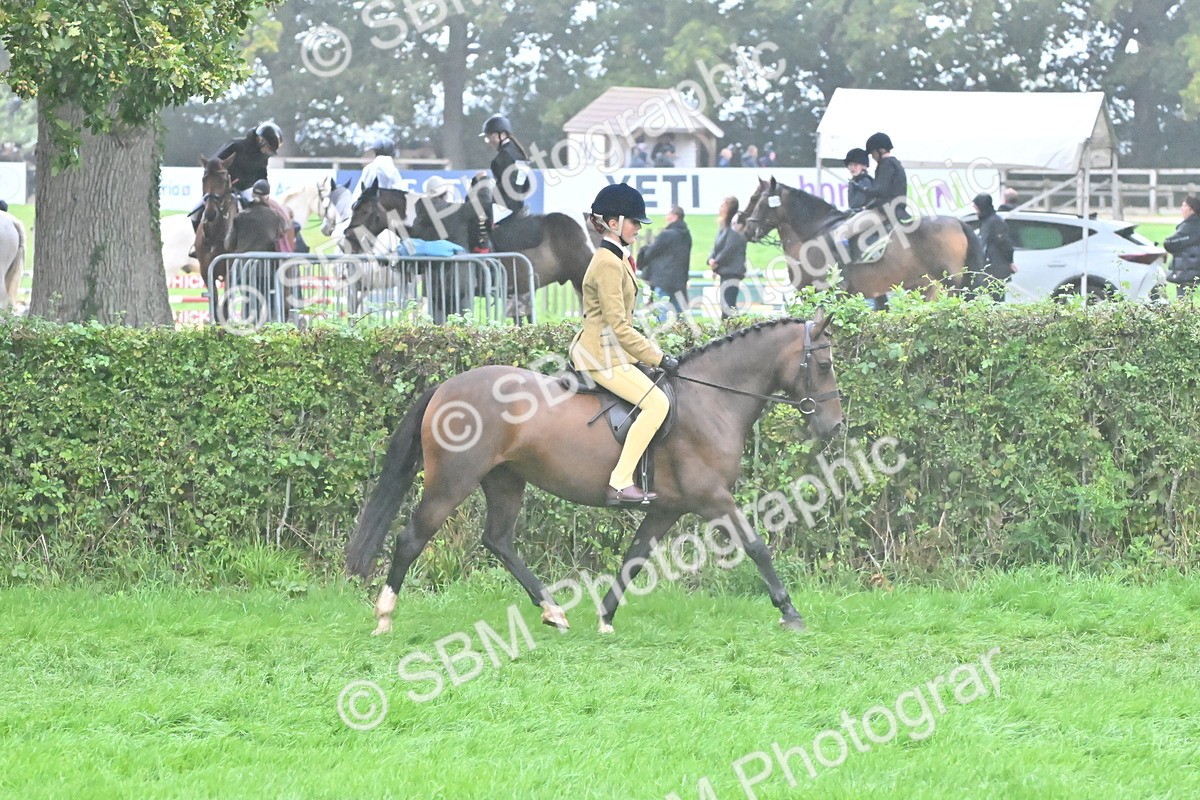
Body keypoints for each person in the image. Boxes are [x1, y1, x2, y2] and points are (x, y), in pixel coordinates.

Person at [570, 183, 678, 505]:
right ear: (613, 223)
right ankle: (619, 482)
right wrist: (658, 357)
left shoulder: (616, 258)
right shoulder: (607, 262)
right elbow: (619, 326)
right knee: (658, 404)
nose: (638, 228)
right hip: (601, 355)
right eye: (633, 222)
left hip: (612, 351)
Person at [189, 122, 282, 230]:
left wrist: (264, 188)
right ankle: (199, 236)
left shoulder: (263, 157)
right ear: (261, 140)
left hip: (245, 190)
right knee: (195, 213)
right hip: (222, 188)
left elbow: (262, 175)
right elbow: (214, 163)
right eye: (269, 148)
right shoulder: (236, 145)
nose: (269, 151)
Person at [639, 205, 692, 314]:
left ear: (675, 216)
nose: (666, 217)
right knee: (680, 314)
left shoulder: (666, 235)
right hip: (680, 281)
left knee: (660, 313)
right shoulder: (687, 236)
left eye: (668, 215)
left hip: (663, 280)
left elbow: (651, 253)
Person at [481, 114, 531, 226]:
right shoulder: (520, 154)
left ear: (502, 135)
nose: (489, 141)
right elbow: (526, 186)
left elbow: (502, 189)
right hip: (520, 208)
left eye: (490, 137)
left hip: (504, 211)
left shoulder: (503, 157)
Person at [968, 193, 1016, 301]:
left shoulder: (995, 222)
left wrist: (1010, 261)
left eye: (977, 208)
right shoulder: (987, 222)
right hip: (989, 269)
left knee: (996, 300)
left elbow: (1005, 244)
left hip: (996, 269)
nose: (976, 212)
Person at [708, 196, 747, 319]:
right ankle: (728, 328)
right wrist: (711, 259)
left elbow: (729, 248)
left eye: (722, 206)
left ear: (728, 208)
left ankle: (732, 329)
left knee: (728, 306)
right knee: (726, 305)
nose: (720, 208)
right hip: (725, 271)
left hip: (732, 271)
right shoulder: (724, 226)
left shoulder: (735, 225)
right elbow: (717, 246)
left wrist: (716, 262)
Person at [225, 179, 288, 253]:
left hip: (243, 259)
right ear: (267, 197)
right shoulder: (276, 216)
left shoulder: (240, 217)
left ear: (252, 195)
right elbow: (283, 232)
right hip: (267, 259)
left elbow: (228, 245)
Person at [863, 131, 909, 222]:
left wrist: (865, 189)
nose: (872, 157)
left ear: (881, 150)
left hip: (887, 210)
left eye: (873, 153)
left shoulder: (886, 164)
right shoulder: (895, 163)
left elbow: (881, 190)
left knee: (854, 227)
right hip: (897, 209)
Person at [1164, 195, 1200, 290]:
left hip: (1188, 272)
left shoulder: (1189, 227)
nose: (1181, 209)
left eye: (1184, 206)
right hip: (1194, 270)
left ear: (1192, 209)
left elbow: (1170, 243)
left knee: (1183, 297)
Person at [844, 148, 874, 213]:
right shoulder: (852, 182)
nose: (852, 168)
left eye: (855, 164)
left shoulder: (865, 181)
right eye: (850, 164)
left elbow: (857, 204)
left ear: (864, 166)